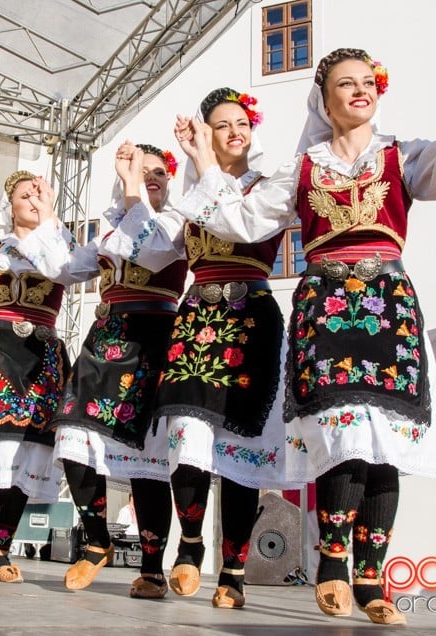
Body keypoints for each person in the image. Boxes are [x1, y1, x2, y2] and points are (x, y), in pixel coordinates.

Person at [171, 1, 436, 624]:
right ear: (325, 98)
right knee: (341, 430)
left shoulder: (403, 155)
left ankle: (372, 578)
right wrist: (205, 160)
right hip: (324, 305)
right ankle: (334, 563)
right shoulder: (301, 169)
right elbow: (237, 220)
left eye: (368, 82)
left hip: (388, 303)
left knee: (384, 437)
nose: (361, 92)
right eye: (348, 84)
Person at [147, 87, 294, 609]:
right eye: (223, 124)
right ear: (206, 132)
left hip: (251, 311)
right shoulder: (192, 190)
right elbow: (154, 249)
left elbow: (244, 221)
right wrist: (151, 194)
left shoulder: (271, 182)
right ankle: (189, 547)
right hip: (195, 315)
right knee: (185, 431)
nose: (236, 131)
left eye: (242, 123)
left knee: (239, 448)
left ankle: (232, 569)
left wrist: (202, 164)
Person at [29, 143, 186, 598]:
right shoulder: (111, 224)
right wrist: (49, 217)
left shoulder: (176, 222)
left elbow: (150, 250)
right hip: (106, 337)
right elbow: (64, 267)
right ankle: (96, 540)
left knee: (147, 459)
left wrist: (132, 185)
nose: (149, 177)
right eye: (141, 170)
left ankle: (153, 568)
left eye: (157, 172)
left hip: (154, 336)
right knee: (72, 435)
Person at [0, 172, 76, 584]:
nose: (33, 201)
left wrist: (52, 218)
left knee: (31, 450)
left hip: (43, 349)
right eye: (26, 195)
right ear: (11, 205)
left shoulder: (60, 240)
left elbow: (73, 270)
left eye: (40, 195)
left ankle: (1, 546)